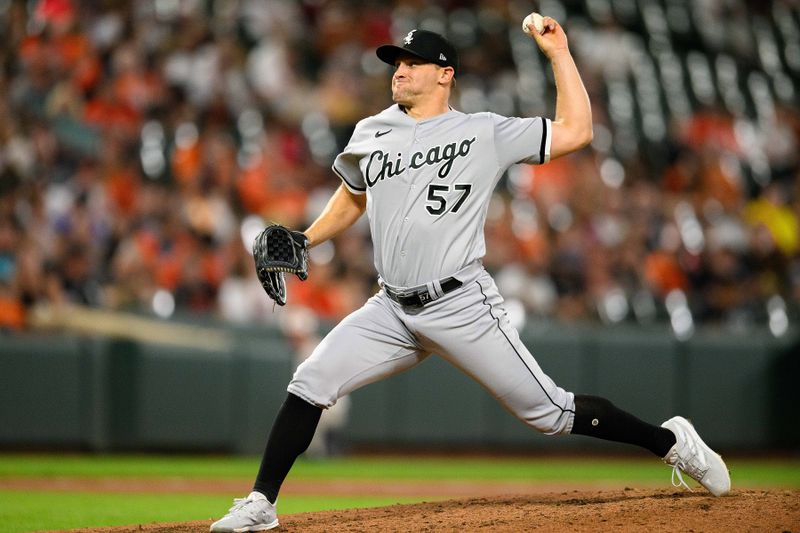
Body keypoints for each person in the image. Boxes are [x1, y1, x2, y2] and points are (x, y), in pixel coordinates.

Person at [210, 17, 730, 532]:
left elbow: (578, 131)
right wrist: (307, 238)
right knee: (310, 381)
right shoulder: (372, 130)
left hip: (461, 303)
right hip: (390, 308)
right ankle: (261, 503)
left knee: (548, 412)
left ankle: (671, 443)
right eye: (397, 63)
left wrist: (558, 56)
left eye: (413, 63)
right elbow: (353, 196)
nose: (400, 71)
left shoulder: (482, 131)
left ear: (444, 74)